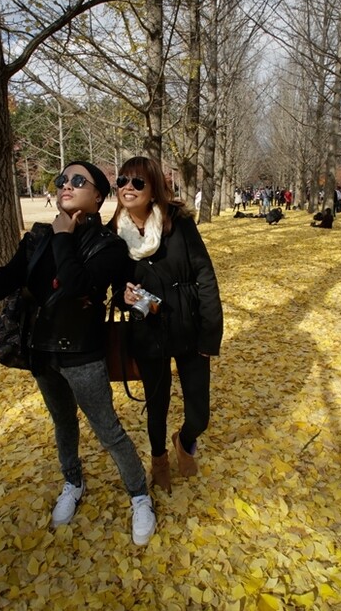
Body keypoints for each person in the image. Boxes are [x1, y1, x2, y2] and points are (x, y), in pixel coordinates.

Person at [0, 161, 156, 545]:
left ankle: (139, 495)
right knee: (63, 423)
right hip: (41, 352)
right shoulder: (39, 237)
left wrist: (64, 236)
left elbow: (78, 286)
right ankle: (72, 482)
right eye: (62, 179)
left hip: (82, 353)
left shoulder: (109, 246)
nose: (66, 185)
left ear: (98, 196)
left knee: (107, 430)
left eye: (79, 181)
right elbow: (10, 276)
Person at [109, 156, 224, 494]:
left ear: (154, 187)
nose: (128, 187)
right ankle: (159, 458)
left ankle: (185, 440)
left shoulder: (178, 223)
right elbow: (113, 287)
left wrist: (210, 334)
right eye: (123, 181)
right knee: (156, 409)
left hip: (189, 328)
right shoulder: (114, 234)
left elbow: (205, 275)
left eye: (138, 182)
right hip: (148, 333)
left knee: (199, 414)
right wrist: (122, 295)